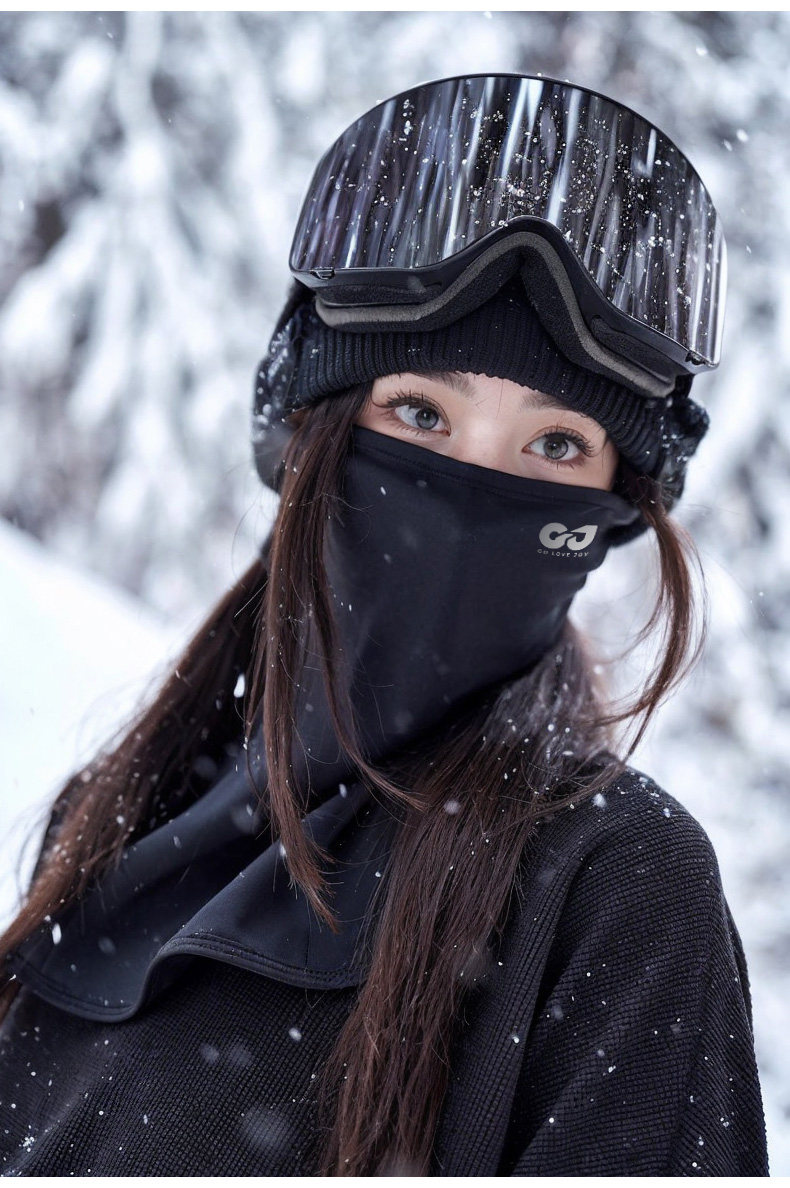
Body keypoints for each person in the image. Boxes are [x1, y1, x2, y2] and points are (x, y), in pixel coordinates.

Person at [0, 73, 769, 1176]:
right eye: (419, 412)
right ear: (312, 438)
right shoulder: (126, 812)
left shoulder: (616, 890)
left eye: (555, 445)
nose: (468, 492)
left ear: (610, 512)